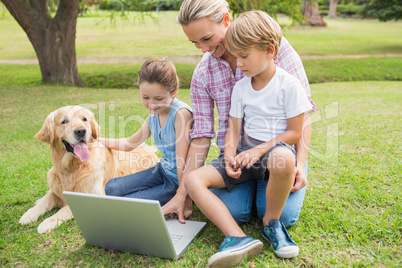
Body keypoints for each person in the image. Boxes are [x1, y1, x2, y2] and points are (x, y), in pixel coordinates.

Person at [162, 0, 315, 227]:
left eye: (206, 38)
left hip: (277, 153)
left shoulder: (271, 48)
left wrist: (300, 164)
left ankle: (267, 193)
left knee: (282, 216)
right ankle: (249, 192)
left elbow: (304, 115)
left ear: (226, 20)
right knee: (234, 213)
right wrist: (181, 194)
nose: (204, 50)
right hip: (236, 159)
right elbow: (202, 135)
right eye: (194, 42)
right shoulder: (203, 73)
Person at [185, 11, 313, 266]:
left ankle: (271, 224)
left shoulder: (289, 85)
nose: (239, 63)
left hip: (275, 152)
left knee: (284, 160)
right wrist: (230, 154)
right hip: (244, 155)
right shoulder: (242, 86)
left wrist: (269, 153)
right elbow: (233, 127)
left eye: (244, 56)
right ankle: (237, 237)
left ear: (269, 50)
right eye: (237, 56)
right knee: (192, 180)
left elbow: (295, 132)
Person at [99, 58, 193, 207]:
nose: (151, 104)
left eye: (158, 98)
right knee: (111, 188)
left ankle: (175, 195)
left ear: (173, 92)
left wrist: (184, 198)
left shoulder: (181, 114)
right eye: (145, 97)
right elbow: (130, 143)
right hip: (163, 171)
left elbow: (183, 162)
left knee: (129, 204)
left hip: (179, 181)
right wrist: (97, 141)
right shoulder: (154, 115)